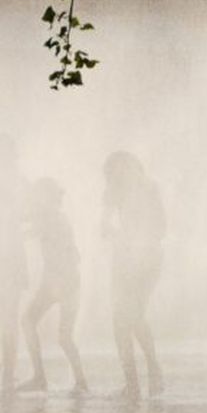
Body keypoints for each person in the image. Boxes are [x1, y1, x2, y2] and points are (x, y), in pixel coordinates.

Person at [102, 152, 166, 399]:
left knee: (129, 316)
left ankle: (147, 374)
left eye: (126, 167)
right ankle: (138, 380)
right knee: (124, 319)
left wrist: (136, 241)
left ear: (134, 166)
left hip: (144, 256)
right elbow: (103, 225)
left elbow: (162, 226)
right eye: (117, 169)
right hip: (128, 256)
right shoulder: (115, 191)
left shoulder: (149, 188)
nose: (123, 172)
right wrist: (120, 237)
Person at [18, 178, 88, 393]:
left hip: (60, 282)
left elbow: (29, 229)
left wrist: (13, 230)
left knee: (32, 322)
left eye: (39, 196)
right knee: (60, 335)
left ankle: (43, 378)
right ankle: (78, 381)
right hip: (65, 281)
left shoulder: (52, 217)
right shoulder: (56, 216)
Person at [0, 134, 28, 396]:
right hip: (11, 255)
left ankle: (8, 373)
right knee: (8, 317)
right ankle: (8, 373)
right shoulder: (20, 182)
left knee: (8, 317)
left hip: (10, 256)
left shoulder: (18, 183)